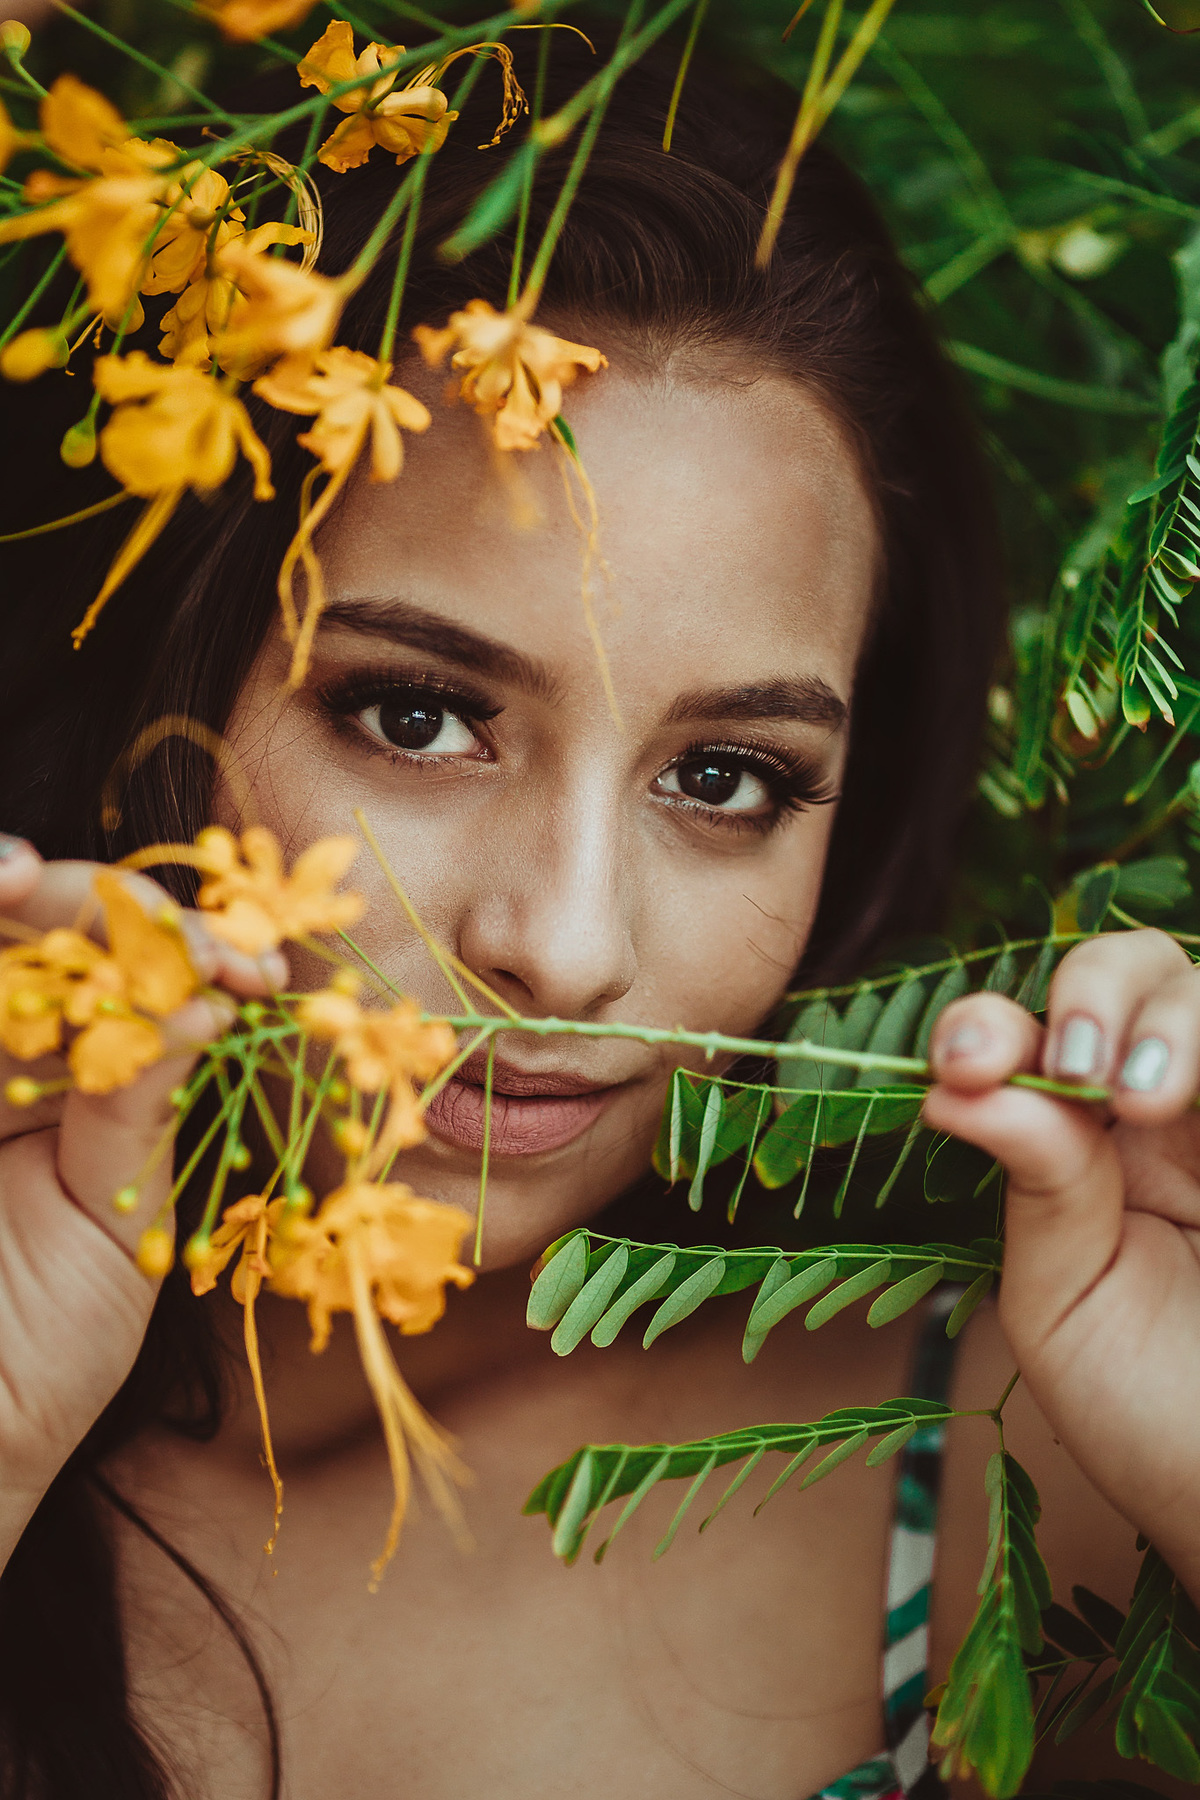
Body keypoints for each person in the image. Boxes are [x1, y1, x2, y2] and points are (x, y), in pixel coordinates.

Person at [1, 31, 1198, 1800]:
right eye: (417, 716)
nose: (566, 949)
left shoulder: (1047, 1480)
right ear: (130, 688)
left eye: (727, 780)